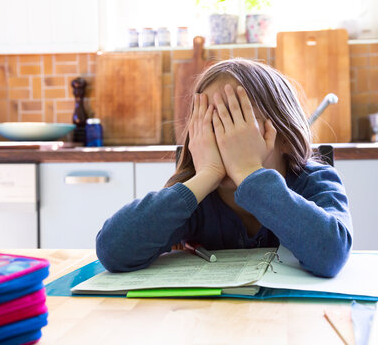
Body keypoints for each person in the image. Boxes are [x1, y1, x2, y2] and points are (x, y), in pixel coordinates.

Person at [96, 58, 352, 278]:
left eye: (237, 126)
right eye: (210, 126)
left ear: (284, 138)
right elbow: (112, 250)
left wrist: (250, 173)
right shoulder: (196, 196)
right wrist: (205, 175)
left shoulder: (314, 180)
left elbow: (331, 254)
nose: (223, 141)